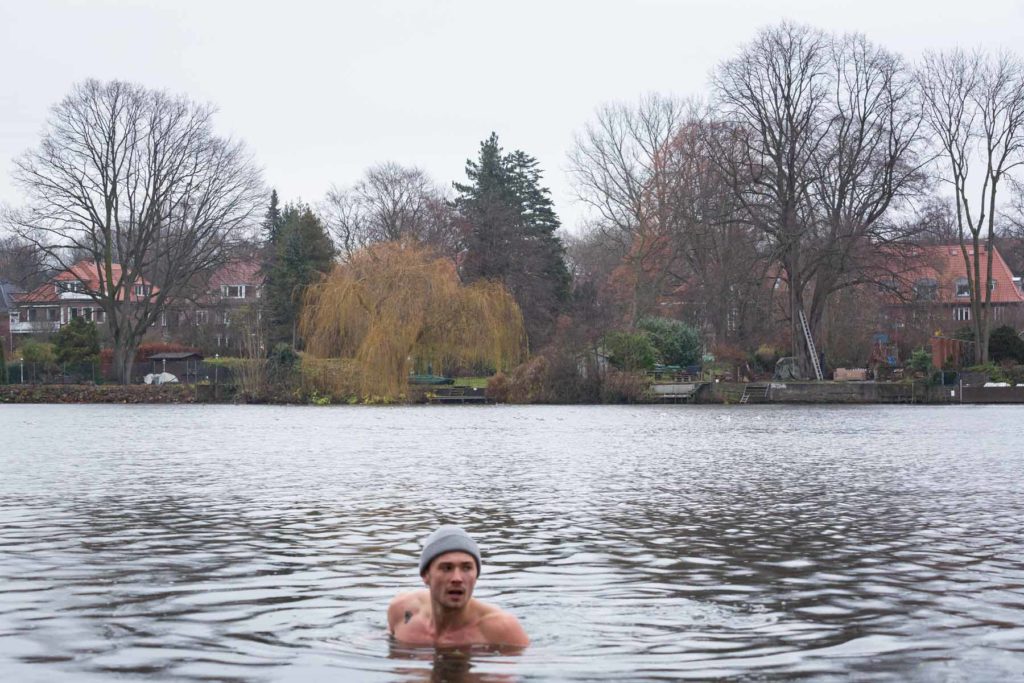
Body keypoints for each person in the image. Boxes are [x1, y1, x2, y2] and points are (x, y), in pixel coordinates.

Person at [388, 525, 529, 648]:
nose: (457, 578)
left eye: (466, 568)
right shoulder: (401, 610)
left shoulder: (501, 630)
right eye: (447, 568)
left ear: (476, 576)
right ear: (426, 575)